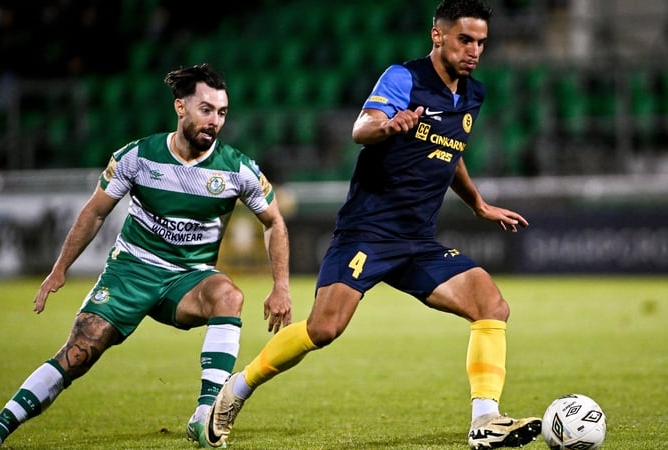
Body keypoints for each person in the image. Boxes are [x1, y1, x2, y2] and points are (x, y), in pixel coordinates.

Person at [206, 1, 542, 449]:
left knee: (491, 306)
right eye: (466, 39)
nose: (474, 50)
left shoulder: (472, 94)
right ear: (438, 35)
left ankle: (486, 420)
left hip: (418, 240)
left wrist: (478, 204)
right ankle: (235, 391)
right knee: (324, 329)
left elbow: (450, 151)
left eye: (481, 42)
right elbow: (361, 129)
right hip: (368, 231)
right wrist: (388, 126)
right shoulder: (404, 77)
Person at [0, 63, 292, 450]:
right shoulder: (138, 156)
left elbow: (274, 222)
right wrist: (59, 269)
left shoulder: (237, 169)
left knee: (229, 296)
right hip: (131, 271)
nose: (215, 121)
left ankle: (205, 417)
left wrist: (281, 286)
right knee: (78, 353)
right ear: (180, 107)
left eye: (222, 113)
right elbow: (95, 211)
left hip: (188, 278)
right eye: (206, 109)